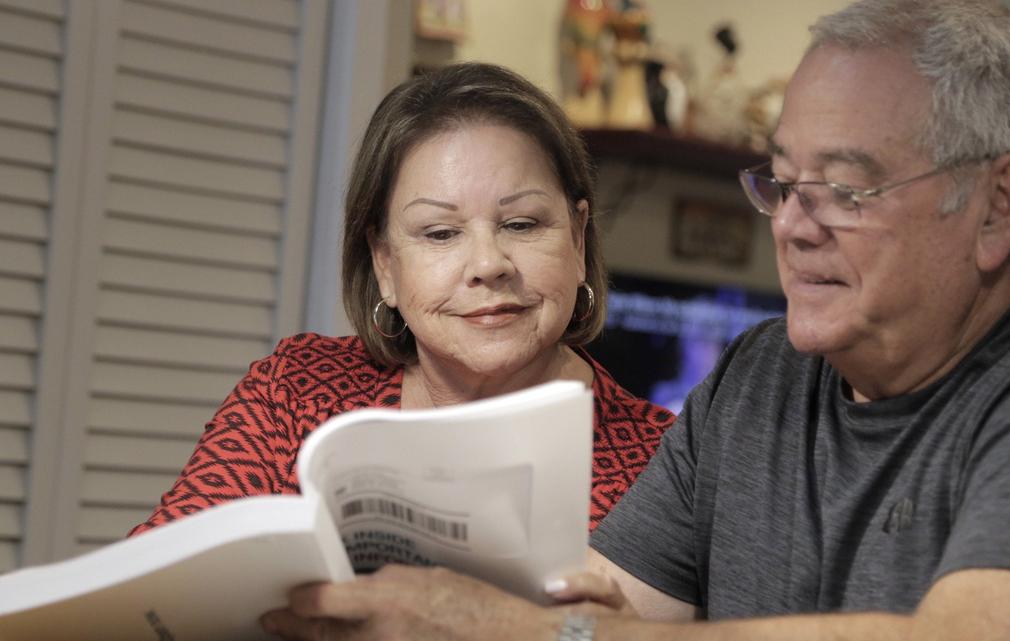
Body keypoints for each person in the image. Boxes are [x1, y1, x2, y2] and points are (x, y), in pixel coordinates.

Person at [259, 2, 1010, 641]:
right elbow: (598, 604)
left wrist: (535, 634)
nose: (792, 225)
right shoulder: (760, 376)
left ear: (997, 206)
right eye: (785, 182)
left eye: (843, 186)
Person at [130, 62, 675, 539]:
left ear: (578, 239)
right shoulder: (294, 392)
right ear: (384, 263)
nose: (488, 264)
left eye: (521, 223)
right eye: (440, 233)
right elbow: (155, 590)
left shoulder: (669, 462)